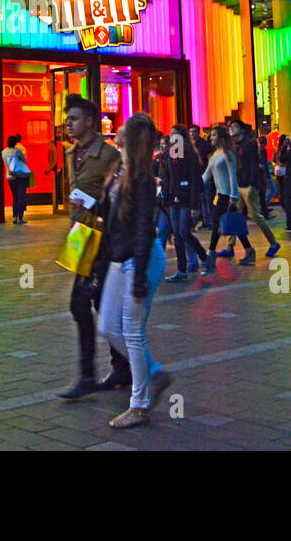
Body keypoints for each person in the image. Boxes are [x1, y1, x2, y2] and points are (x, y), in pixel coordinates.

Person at [96, 114, 172, 429]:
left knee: (131, 332)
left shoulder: (141, 178)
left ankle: (139, 405)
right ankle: (154, 374)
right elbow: (110, 216)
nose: (119, 130)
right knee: (107, 325)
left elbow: (143, 229)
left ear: (133, 138)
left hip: (140, 258)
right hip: (120, 257)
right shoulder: (120, 170)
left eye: (125, 129)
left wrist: (139, 276)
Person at [58, 93, 130, 400]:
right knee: (94, 305)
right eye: (67, 119)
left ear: (89, 120)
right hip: (81, 235)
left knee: (90, 304)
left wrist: (93, 203)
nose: (68, 124)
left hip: (104, 237)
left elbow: (121, 198)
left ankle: (98, 373)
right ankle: (121, 367)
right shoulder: (71, 152)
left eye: (74, 119)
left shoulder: (108, 154)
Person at [162, 125, 208, 281]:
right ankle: (181, 270)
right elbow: (168, 177)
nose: (173, 137)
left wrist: (195, 205)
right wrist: (166, 196)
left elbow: (196, 180)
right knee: (177, 235)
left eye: (176, 135)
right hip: (173, 199)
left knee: (184, 232)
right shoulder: (170, 155)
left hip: (187, 198)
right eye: (171, 134)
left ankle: (202, 254)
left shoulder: (190, 155)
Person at [229, 121, 280, 260]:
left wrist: (252, 184)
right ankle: (230, 245)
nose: (231, 129)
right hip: (239, 185)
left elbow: (253, 166)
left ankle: (273, 243)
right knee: (235, 214)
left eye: (235, 127)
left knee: (255, 215)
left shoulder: (249, 144)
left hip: (248, 186)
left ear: (242, 130)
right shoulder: (234, 145)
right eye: (231, 127)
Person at [203, 125, 248, 267]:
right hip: (220, 195)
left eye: (214, 135)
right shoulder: (213, 156)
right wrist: (194, 184)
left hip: (227, 195)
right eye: (211, 135)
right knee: (233, 225)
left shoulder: (228, 154)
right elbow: (206, 175)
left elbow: (232, 176)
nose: (211, 137)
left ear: (222, 138)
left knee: (217, 221)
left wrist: (233, 196)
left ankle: (211, 253)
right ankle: (249, 249)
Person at [2, 134, 31, 224]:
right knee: (21, 197)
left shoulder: (3, 152)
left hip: (10, 177)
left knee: (15, 197)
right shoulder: (17, 151)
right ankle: (20, 218)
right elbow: (24, 161)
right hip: (20, 177)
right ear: (15, 143)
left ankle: (14, 217)